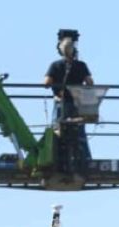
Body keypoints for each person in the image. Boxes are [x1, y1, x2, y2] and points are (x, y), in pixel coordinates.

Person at [43, 30, 94, 175]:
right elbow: (90, 82)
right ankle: (84, 158)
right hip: (78, 104)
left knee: (57, 130)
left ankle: (54, 157)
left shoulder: (55, 65)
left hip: (61, 103)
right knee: (79, 132)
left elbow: (46, 83)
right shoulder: (81, 65)